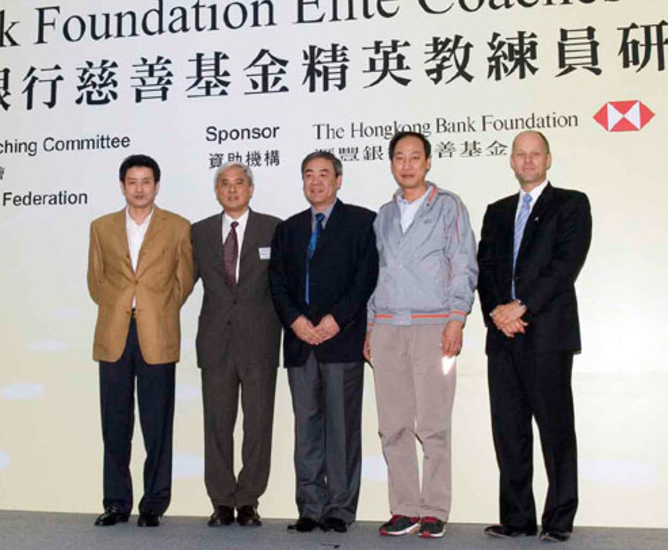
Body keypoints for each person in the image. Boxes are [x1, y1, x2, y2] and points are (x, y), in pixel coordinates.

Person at [477, 130, 592, 543]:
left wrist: (520, 305)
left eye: (535, 154)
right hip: (503, 336)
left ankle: (559, 519)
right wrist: (497, 313)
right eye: (520, 154)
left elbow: (565, 266)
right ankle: (517, 518)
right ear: (510, 161)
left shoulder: (572, 204)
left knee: (555, 429)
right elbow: (485, 268)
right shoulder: (497, 210)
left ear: (548, 160)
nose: (527, 161)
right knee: (509, 431)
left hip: (547, 335)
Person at [365, 132, 477, 539]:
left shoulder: (448, 207)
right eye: (399, 157)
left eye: (415, 157)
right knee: (393, 424)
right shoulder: (384, 214)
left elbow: (463, 263)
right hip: (388, 328)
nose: (407, 164)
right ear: (392, 163)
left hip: (434, 325)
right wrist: (371, 324)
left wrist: (456, 317)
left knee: (432, 425)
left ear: (428, 162)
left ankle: (433, 509)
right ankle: (404, 508)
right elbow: (373, 274)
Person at [269, 151, 378, 533]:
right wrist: (297, 322)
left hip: (342, 340)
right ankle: (310, 506)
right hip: (300, 343)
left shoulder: (363, 223)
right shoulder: (289, 228)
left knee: (342, 428)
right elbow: (277, 283)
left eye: (324, 174)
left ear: (338, 180)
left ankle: (340, 508)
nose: (316, 181)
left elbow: (365, 278)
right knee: (306, 428)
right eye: (309, 175)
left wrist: (336, 320)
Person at [87, 154, 194, 528]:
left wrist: (158, 309)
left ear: (157, 186)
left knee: (157, 423)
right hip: (114, 334)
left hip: (157, 334)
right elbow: (96, 281)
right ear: (122, 186)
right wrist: (122, 306)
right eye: (132, 181)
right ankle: (116, 502)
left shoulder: (178, 227)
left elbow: (183, 280)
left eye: (146, 181)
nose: (139, 188)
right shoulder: (101, 227)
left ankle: (153, 504)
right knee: (115, 423)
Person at [191, 163, 282, 527]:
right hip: (215, 342)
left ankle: (248, 500)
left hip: (259, 341)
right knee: (217, 425)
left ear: (251, 188)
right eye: (224, 184)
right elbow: (180, 282)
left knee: (258, 424)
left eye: (239, 183)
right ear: (216, 191)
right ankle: (221, 501)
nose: (232, 190)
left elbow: (285, 283)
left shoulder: (274, 229)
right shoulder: (198, 232)